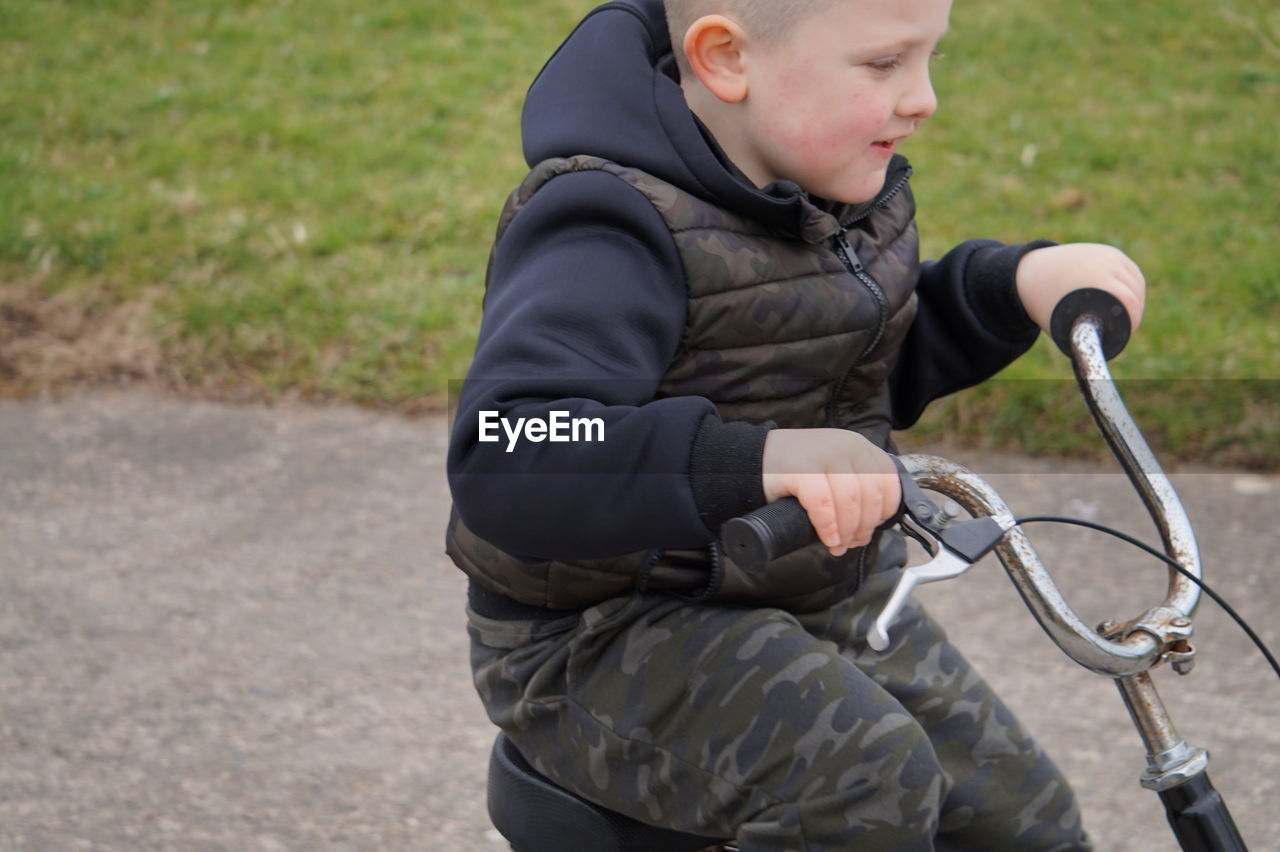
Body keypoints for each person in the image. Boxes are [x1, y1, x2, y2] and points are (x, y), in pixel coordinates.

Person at [446, 0, 1145, 848]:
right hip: (602, 633)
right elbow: (510, 447)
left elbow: (842, 360)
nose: (921, 98)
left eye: (931, 58)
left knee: (1019, 816)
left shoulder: (819, 188)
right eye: (884, 65)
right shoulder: (608, 223)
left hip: (811, 589)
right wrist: (756, 461)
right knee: (864, 780)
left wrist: (1007, 287)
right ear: (727, 59)